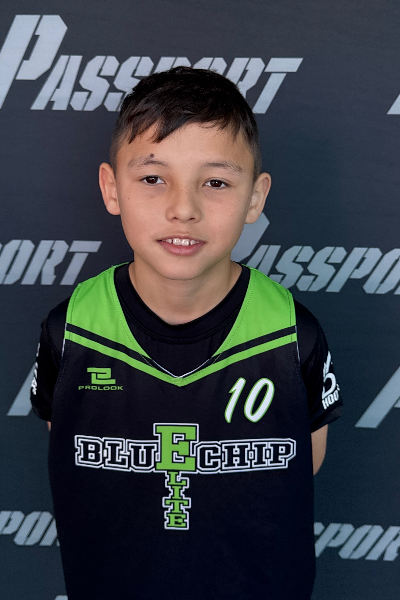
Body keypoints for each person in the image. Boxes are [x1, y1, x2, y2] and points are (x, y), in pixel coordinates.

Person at [31, 66, 342, 600]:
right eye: (153, 178)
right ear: (112, 188)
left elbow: (300, 467)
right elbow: (74, 463)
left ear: (255, 198)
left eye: (216, 182)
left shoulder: (293, 336)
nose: (183, 209)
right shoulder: (72, 331)